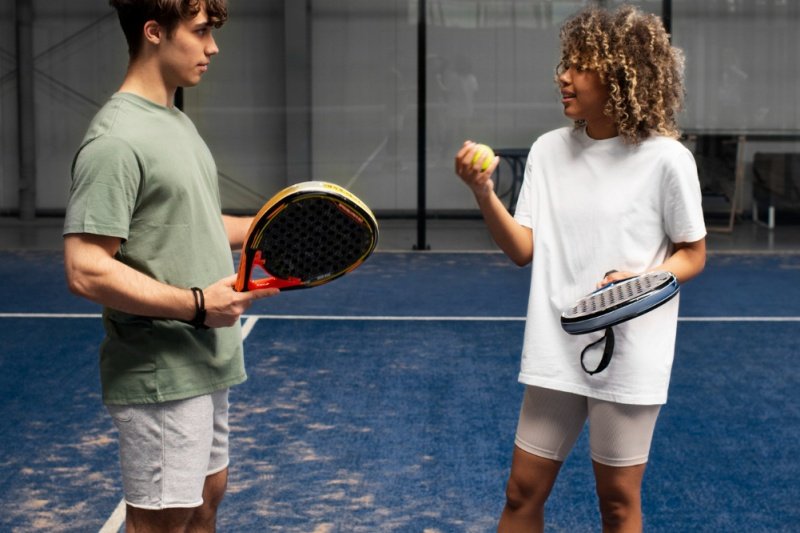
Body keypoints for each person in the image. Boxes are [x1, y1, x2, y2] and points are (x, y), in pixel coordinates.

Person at [454, 5, 706, 532]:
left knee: (616, 503)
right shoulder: (548, 151)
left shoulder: (667, 160)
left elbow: (692, 254)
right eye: (564, 64)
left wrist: (644, 282)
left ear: (620, 76)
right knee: (521, 492)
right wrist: (483, 193)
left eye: (579, 66)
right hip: (555, 348)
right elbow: (523, 248)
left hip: (630, 354)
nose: (562, 77)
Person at [63, 1, 277, 531]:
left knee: (206, 500)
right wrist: (199, 306)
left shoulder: (175, 121)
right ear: (153, 32)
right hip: (161, 369)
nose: (213, 47)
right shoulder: (116, 140)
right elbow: (85, 267)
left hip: (205, 358)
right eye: (201, 32)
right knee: (162, 521)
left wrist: (266, 226)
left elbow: (194, 220)